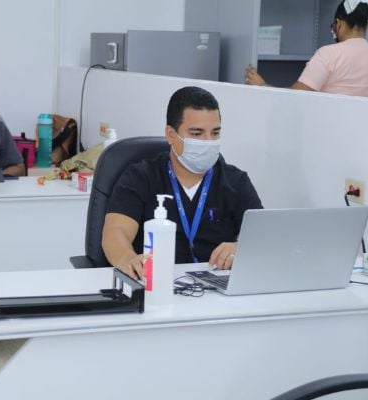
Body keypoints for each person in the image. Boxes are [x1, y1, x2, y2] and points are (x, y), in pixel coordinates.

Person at [101, 86, 263, 279]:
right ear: (171, 134)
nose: (208, 141)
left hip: (216, 290)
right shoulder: (140, 177)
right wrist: (128, 259)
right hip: (155, 283)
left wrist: (240, 248)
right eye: (197, 134)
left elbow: (263, 238)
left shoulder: (236, 182)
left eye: (215, 132)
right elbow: (115, 232)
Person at [245, 0, 368, 99]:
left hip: (327, 133)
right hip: (363, 137)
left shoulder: (328, 54)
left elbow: (295, 97)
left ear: (339, 24)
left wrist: (262, 86)